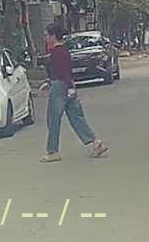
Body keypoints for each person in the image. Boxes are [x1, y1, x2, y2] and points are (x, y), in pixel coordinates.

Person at [40, 24, 108, 163]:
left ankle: (53, 151)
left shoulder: (57, 52)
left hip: (60, 86)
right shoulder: (63, 50)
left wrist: (64, 86)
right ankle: (96, 143)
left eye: (47, 35)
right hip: (67, 85)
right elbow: (61, 71)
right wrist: (62, 85)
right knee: (76, 116)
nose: (45, 37)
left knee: (53, 119)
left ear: (53, 36)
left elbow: (62, 71)